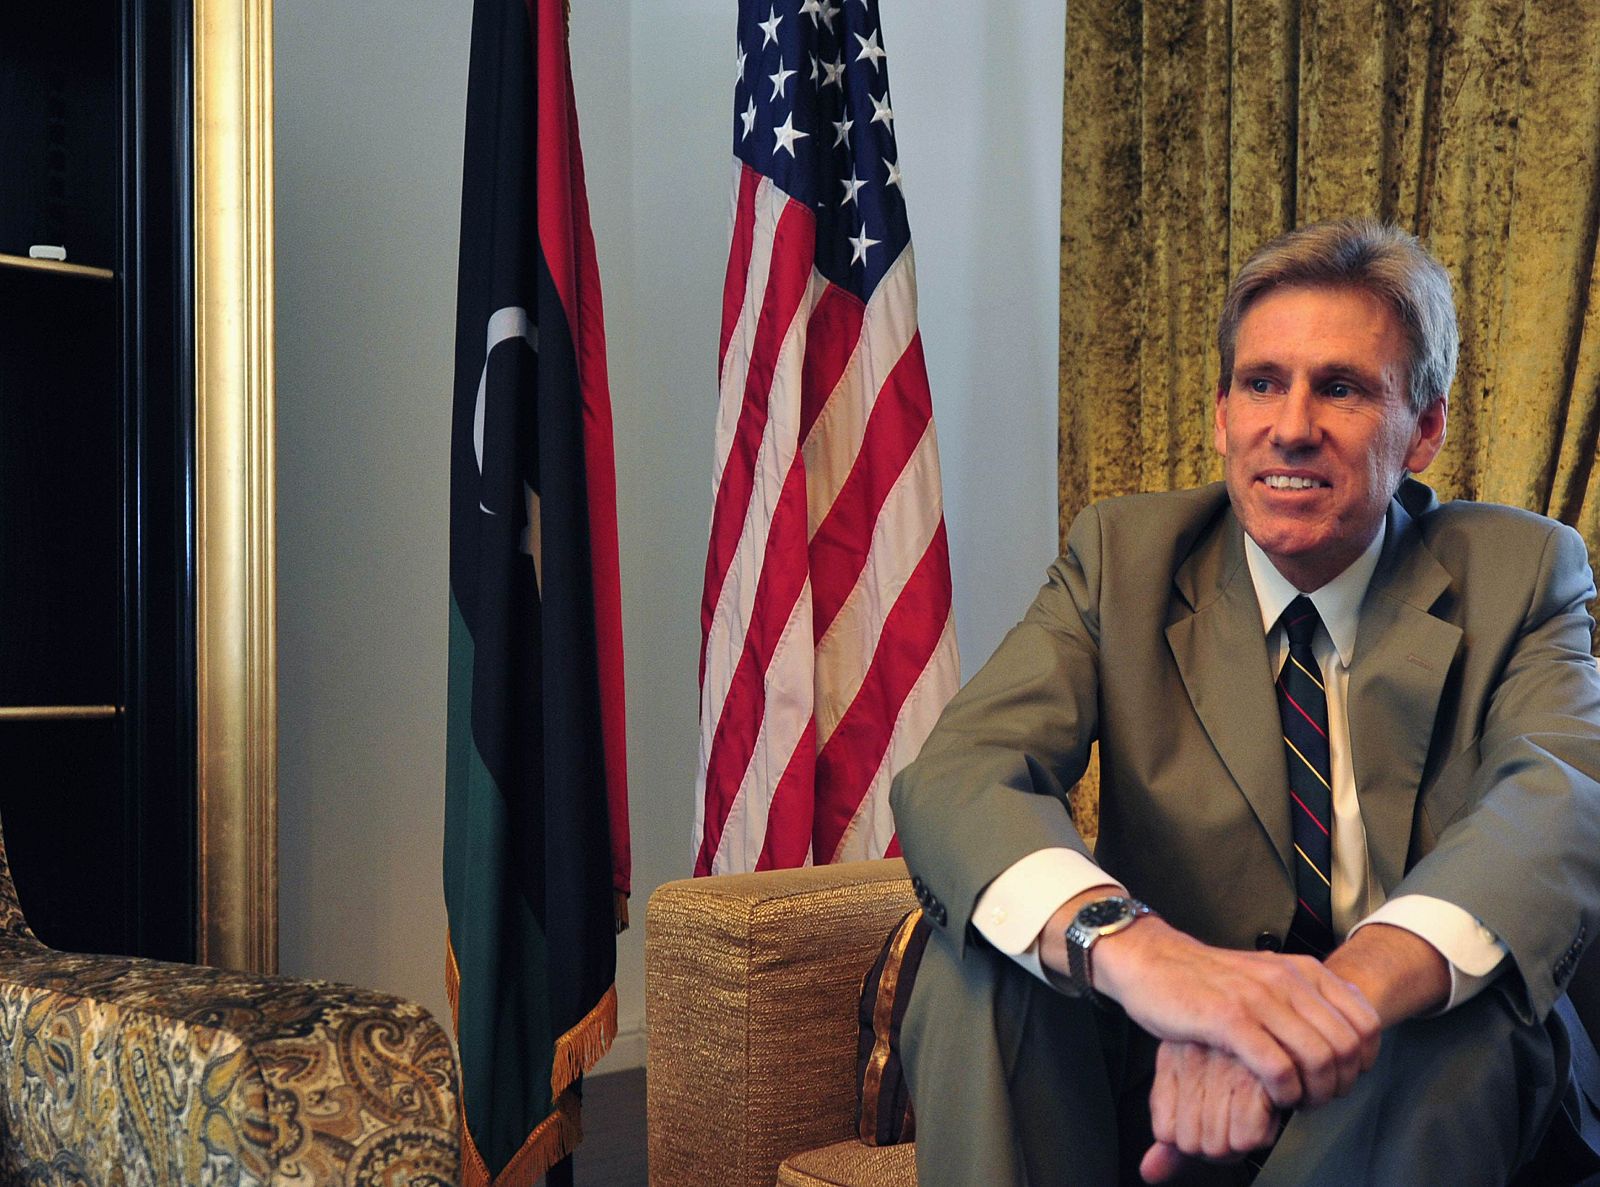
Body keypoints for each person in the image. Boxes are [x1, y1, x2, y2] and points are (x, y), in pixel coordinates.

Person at [889, 218, 1600, 1185]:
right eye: (1262, 383)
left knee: (1456, 1020)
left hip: (1415, 1062)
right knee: (978, 968)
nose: (1292, 424)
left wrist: (1295, 1013)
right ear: (1222, 414)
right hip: (1158, 1067)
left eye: (1341, 388)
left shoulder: (1523, 571)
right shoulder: (1124, 557)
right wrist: (1150, 961)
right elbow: (961, 775)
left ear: (1424, 429)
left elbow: (1555, 807)